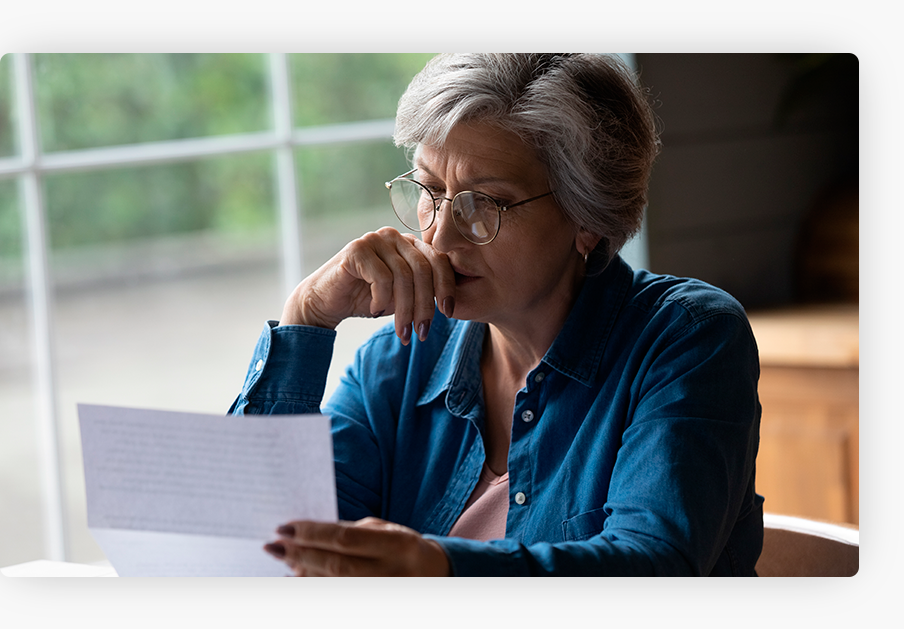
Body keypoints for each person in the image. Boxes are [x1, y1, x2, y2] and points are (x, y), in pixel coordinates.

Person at [228, 53, 764, 576]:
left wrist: (441, 568)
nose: (438, 234)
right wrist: (307, 316)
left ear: (588, 217)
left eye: (484, 202)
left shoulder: (688, 339)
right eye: (431, 191)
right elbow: (249, 543)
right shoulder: (398, 359)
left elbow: (654, 565)